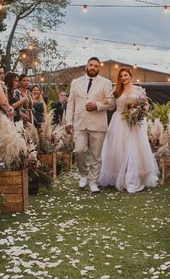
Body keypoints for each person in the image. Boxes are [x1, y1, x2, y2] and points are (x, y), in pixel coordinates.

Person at [99, 67, 158, 192]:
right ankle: (118, 177)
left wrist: (140, 111)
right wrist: (102, 101)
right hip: (118, 122)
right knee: (118, 149)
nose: (123, 78)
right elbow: (109, 103)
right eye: (121, 76)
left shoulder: (138, 90)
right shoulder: (116, 90)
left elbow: (146, 104)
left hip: (133, 123)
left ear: (130, 75)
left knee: (133, 149)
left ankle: (132, 178)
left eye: (125, 75)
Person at [65, 57, 115, 193]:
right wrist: (68, 122)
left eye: (96, 66)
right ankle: (84, 174)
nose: (93, 68)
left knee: (96, 156)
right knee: (79, 150)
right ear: (87, 66)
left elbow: (111, 103)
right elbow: (71, 103)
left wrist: (97, 105)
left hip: (98, 124)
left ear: (99, 68)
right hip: (79, 123)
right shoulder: (75, 83)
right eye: (91, 65)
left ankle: (93, 182)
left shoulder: (106, 83)